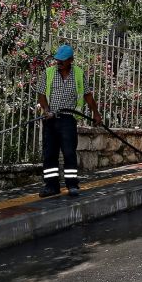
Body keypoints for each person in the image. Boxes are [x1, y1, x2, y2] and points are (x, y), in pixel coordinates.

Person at [36, 45, 103, 197]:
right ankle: (51, 186)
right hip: (50, 120)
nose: (58, 63)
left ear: (71, 60)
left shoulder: (78, 74)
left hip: (67, 119)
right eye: (57, 60)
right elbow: (41, 95)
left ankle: (72, 185)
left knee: (69, 153)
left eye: (62, 60)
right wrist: (46, 110)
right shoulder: (48, 73)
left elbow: (87, 95)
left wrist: (96, 113)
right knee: (50, 154)